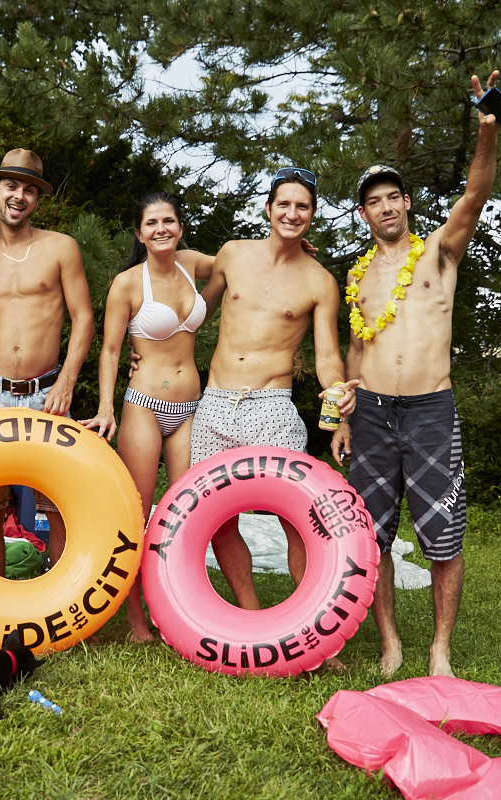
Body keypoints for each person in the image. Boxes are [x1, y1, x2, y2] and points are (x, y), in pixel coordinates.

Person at [333, 71, 501, 678]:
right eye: (373, 201)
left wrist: (487, 131)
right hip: (373, 414)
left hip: (431, 410)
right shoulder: (359, 277)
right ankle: (391, 642)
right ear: (364, 214)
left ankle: (441, 648)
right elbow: (357, 348)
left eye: (394, 197)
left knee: (444, 532)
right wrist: (344, 413)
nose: (385, 207)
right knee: (374, 531)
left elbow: (476, 190)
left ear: (407, 203)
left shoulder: (439, 251)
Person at [193, 168, 358, 618]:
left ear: (312, 215)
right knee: (216, 518)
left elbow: (326, 355)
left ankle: (311, 622)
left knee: (297, 517)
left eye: (301, 206)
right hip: (215, 403)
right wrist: (147, 350)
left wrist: (338, 394)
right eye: (283, 204)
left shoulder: (320, 281)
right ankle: (252, 615)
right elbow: (195, 314)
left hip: (272, 407)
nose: (291, 213)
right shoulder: (232, 254)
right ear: (268, 209)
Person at [80, 192, 215, 641]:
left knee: (186, 512)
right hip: (144, 406)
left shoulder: (193, 265)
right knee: (136, 513)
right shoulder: (128, 284)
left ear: (180, 227)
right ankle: (135, 617)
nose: (162, 229)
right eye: (152, 223)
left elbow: (243, 263)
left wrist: (291, 247)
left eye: (170, 221)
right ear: (140, 233)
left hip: (191, 407)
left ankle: (177, 605)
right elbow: (112, 350)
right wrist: (105, 407)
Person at [0, 149, 94, 576]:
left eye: (29, 189)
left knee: (58, 503)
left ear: (37, 198)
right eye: (11, 186)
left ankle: (59, 600)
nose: (19, 196)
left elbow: (84, 319)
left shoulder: (60, 247)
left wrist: (67, 383)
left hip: (46, 391)